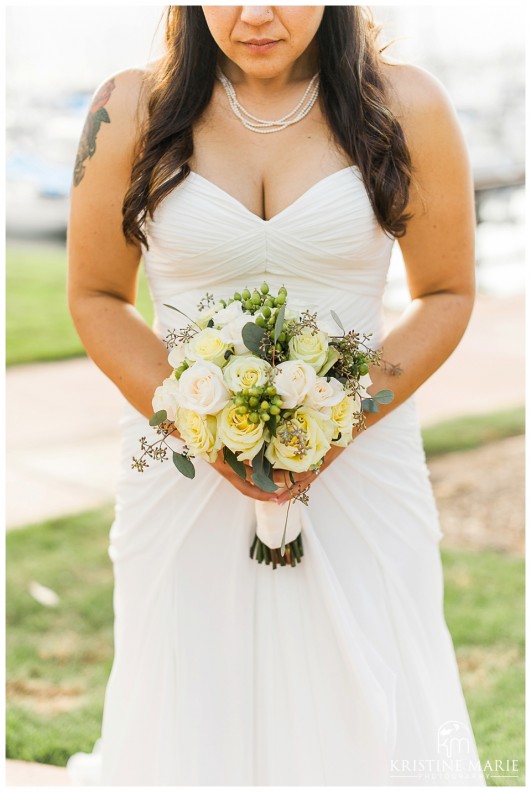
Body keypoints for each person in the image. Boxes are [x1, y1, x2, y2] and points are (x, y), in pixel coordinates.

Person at [66, 5, 486, 786]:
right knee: (192, 693)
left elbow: (447, 293)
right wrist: (202, 427)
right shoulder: (129, 107)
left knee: (365, 686)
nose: (254, 13)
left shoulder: (406, 104)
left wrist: (333, 424)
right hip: (181, 471)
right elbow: (95, 295)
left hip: (362, 465)